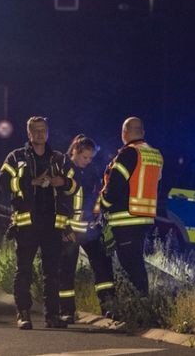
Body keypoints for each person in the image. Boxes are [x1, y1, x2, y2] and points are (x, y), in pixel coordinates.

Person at [0, 116, 77, 330]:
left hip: (53, 223)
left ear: (48, 132)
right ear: (29, 134)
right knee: (24, 270)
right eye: (36, 131)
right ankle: (23, 314)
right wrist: (29, 182)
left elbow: (74, 185)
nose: (40, 134)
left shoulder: (59, 159)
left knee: (52, 271)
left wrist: (62, 182)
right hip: (26, 223)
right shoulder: (17, 157)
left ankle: (52, 316)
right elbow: (4, 181)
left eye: (43, 130)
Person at [95, 116, 164, 296]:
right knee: (136, 262)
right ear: (142, 132)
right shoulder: (155, 154)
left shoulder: (129, 153)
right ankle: (138, 306)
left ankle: (138, 307)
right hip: (145, 216)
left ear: (124, 133)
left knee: (130, 265)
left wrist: (104, 203)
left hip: (125, 218)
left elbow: (115, 183)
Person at [56, 134, 117, 323]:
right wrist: (63, 229)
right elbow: (56, 201)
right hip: (70, 231)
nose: (88, 161)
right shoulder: (63, 169)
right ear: (75, 150)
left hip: (91, 230)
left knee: (103, 268)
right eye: (85, 157)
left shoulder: (92, 171)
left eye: (91, 158)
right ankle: (66, 311)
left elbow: (97, 198)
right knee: (66, 272)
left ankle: (110, 308)